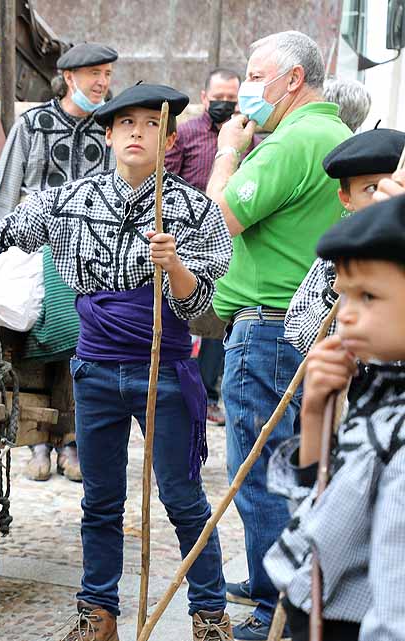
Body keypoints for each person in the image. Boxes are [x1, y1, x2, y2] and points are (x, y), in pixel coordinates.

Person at [0, 83, 244, 641]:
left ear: (170, 140)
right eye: (127, 124)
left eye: (152, 124)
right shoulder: (72, 200)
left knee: (183, 497)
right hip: (93, 368)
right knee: (99, 501)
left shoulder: (192, 211)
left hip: (163, 369)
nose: (138, 132)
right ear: (110, 135)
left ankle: (211, 625)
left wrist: (172, 262)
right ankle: (98, 623)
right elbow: (5, 230)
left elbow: (199, 305)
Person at [204, 30, 350, 641]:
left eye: (257, 76)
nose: (248, 89)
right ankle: (284, 581)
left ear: (294, 79)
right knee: (296, 463)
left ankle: (276, 603)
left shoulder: (293, 141)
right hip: (310, 323)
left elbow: (215, 221)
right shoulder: (336, 136)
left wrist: (228, 151)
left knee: (257, 467)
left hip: (267, 327)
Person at [265, 194, 405, 641]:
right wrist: (318, 411)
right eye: (343, 296)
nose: (344, 315)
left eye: (369, 298)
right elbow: (326, 505)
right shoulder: (381, 393)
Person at [0, 42, 119, 483]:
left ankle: (72, 440)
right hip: (31, 249)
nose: (102, 83)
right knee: (27, 332)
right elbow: (5, 195)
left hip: (89, 252)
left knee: (84, 339)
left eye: (107, 74)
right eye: (94, 74)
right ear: (69, 78)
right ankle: (37, 440)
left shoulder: (110, 128)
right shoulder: (33, 124)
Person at [165, 67, 243, 426]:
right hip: (183, 241)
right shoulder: (185, 133)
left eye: (232, 99)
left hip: (225, 242)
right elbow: (166, 180)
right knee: (178, 314)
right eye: (219, 99)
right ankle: (174, 388)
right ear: (204, 97)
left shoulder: (245, 139)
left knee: (218, 319)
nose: (225, 106)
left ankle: (209, 395)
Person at [284, 127, 405, 355]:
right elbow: (301, 336)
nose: (384, 198)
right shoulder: (335, 257)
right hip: (362, 388)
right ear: (346, 199)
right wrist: (340, 287)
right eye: (371, 188)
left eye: (397, 186)